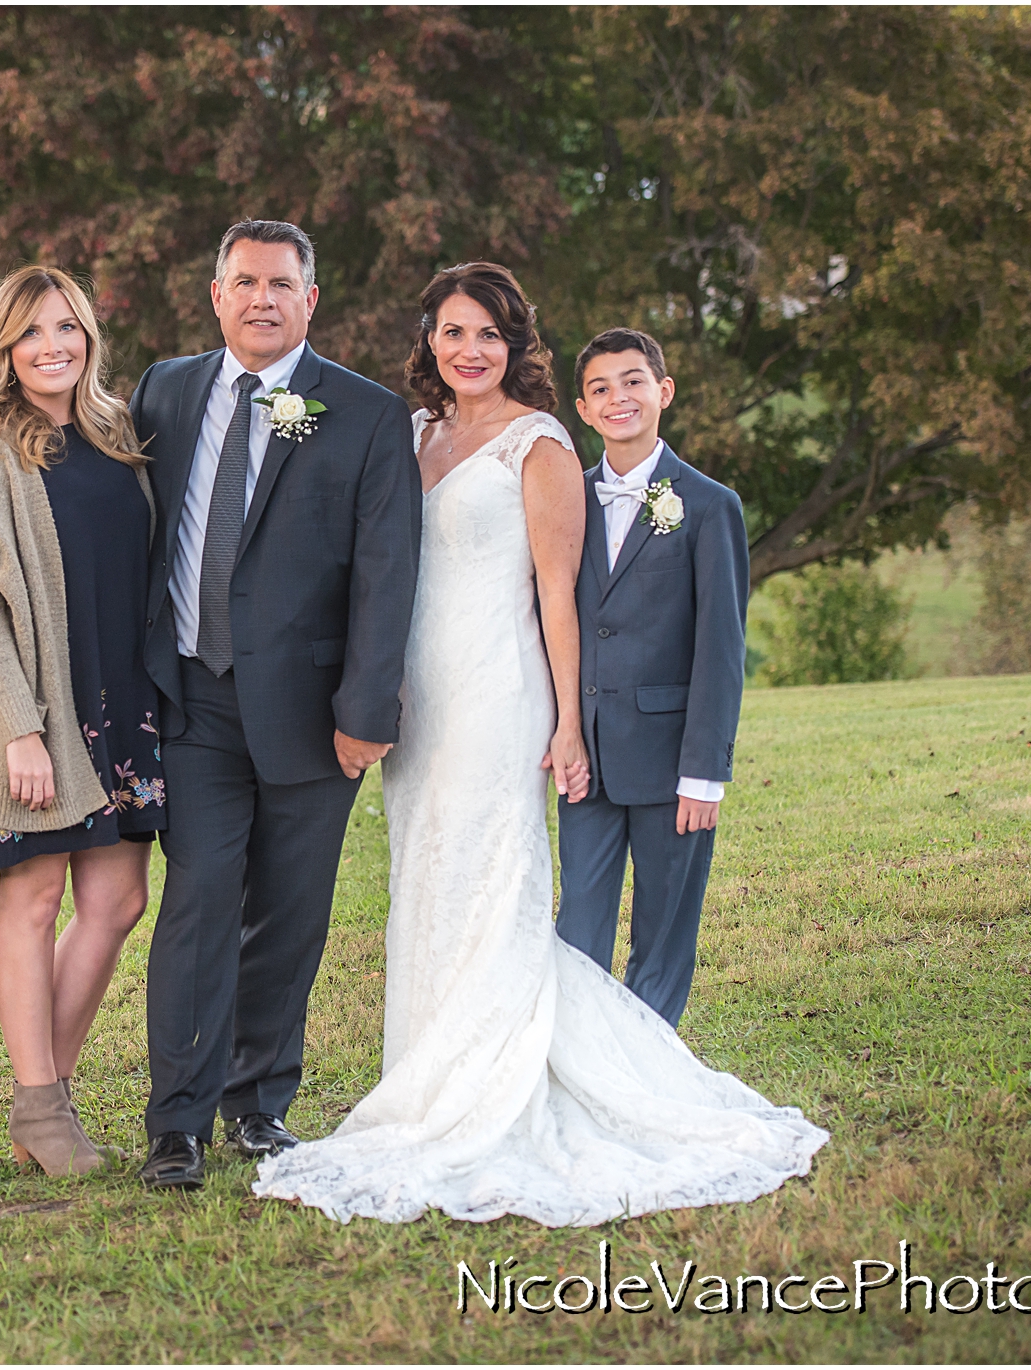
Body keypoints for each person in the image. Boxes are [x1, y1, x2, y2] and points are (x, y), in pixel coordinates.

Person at [253, 270, 827, 1227]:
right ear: (429, 341)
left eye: (487, 333)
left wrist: (565, 721)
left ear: (515, 344)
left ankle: (497, 1084)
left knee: (493, 882)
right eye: (451, 332)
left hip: (499, 694)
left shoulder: (543, 444)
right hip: (419, 702)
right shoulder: (414, 433)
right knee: (428, 881)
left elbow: (559, 596)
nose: (468, 350)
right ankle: (430, 1075)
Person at [129, 220, 423, 1190]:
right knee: (197, 901)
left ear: (310, 299)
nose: (261, 298)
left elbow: (387, 569)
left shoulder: (366, 413)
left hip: (313, 710)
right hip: (195, 698)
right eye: (243, 281)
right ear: (215, 294)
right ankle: (175, 1122)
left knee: (290, 916)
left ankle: (256, 1105)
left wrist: (367, 708)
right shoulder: (164, 390)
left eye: (280, 283)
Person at [0, 267, 161, 1177]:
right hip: (31, 711)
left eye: (67, 327)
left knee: (116, 901)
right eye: (31, 333)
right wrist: (18, 728)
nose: (53, 346)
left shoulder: (114, 433)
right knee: (33, 900)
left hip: (124, 702)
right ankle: (41, 1103)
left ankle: (47, 1103)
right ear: (4, 347)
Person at [556, 327, 745, 1028]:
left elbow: (721, 650)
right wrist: (561, 728)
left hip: (673, 768)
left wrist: (704, 773)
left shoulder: (709, 505)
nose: (619, 398)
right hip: (589, 764)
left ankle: (647, 1074)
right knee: (578, 932)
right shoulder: (565, 500)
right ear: (583, 407)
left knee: (663, 938)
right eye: (601, 387)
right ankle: (583, 1064)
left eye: (633, 381)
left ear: (663, 391)